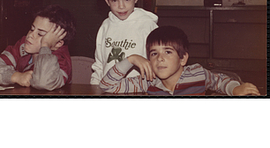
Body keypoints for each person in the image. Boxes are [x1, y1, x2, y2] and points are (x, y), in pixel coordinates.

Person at [99, 25, 260, 96]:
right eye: (154, 54)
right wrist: (131, 59)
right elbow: (106, 86)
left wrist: (234, 89)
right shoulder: (147, 81)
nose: (160, 58)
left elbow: (220, 81)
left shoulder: (197, 73)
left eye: (168, 52)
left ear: (183, 59)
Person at [90, 0, 158, 85]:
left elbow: (157, 61)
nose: (121, 6)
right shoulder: (105, 26)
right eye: (114, 0)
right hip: (108, 89)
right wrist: (95, 86)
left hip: (138, 89)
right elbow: (100, 63)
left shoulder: (148, 25)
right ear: (106, 1)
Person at [0, 4, 76, 91]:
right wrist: (16, 76)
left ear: (57, 43)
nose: (30, 35)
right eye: (32, 29)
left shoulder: (61, 60)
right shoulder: (23, 45)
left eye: (40, 34)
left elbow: (43, 83)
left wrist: (45, 45)